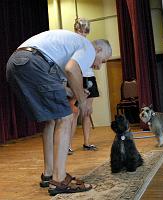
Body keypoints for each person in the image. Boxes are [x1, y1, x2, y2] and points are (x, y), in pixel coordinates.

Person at [6, 30, 112, 196]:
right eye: (103, 61)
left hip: (16, 63)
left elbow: (60, 85)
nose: (99, 66)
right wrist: (83, 102)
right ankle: (59, 179)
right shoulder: (88, 48)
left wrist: (75, 92)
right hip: (35, 63)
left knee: (52, 119)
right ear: (98, 50)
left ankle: (48, 174)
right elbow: (71, 69)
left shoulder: (66, 49)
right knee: (66, 116)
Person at [68, 18, 100, 154]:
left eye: (85, 30)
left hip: (89, 77)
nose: (82, 33)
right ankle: (67, 145)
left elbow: (95, 64)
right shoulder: (71, 42)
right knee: (74, 113)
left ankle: (86, 143)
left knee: (87, 112)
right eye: (80, 30)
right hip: (77, 78)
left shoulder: (88, 44)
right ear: (76, 29)